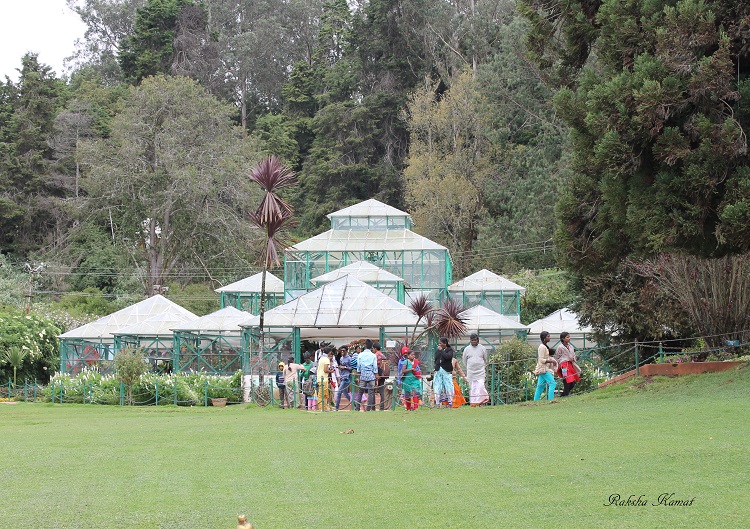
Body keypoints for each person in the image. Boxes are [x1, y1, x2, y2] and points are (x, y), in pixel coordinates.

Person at [462, 333, 490, 407]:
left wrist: (482, 366)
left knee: (481, 386)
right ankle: (474, 404)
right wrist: (469, 368)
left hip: (480, 372)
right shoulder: (467, 349)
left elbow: (485, 359)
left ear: (478, 340)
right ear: (470, 340)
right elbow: (464, 360)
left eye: (475, 340)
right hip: (471, 372)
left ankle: (482, 402)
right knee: (473, 388)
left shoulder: (482, 348)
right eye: (472, 340)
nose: (474, 342)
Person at [554, 331, 581, 397]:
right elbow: (557, 357)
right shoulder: (560, 347)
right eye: (567, 337)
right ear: (563, 338)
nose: (569, 338)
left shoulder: (571, 346)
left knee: (572, 382)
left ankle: (564, 394)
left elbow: (573, 355)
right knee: (566, 379)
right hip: (564, 366)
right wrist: (557, 365)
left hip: (570, 365)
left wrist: (575, 358)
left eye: (569, 337)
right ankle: (565, 395)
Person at [533, 331, 557, 401]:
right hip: (544, 369)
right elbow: (541, 360)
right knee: (552, 383)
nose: (549, 338)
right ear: (544, 338)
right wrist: (552, 361)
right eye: (548, 336)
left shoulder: (544, 346)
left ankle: (536, 401)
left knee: (540, 386)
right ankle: (550, 400)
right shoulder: (542, 347)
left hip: (544, 369)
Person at [355, 339, 378, 411]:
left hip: (363, 375)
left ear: (365, 346)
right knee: (371, 392)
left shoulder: (360, 355)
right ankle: (369, 408)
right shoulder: (373, 355)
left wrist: (359, 376)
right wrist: (376, 376)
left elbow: (358, 367)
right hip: (371, 375)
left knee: (360, 392)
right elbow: (375, 367)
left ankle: (357, 408)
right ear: (371, 347)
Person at [433, 337, 455, 407]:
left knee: (448, 386)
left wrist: (442, 351)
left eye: (440, 343)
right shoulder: (438, 350)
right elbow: (436, 359)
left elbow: (448, 357)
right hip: (438, 371)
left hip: (446, 371)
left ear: (445, 343)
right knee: (437, 386)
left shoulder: (449, 350)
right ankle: (437, 402)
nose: (439, 345)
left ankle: (450, 401)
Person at [335, 345, 353, 410]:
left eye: (344, 351)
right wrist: (340, 367)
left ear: (346, 351)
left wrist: (345, 367)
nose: (342, 352)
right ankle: (355, 405)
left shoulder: (349, 358)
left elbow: (352, 368)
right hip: (342, 376)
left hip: (347, 377)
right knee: (345, 394)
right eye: (341, 351)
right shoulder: (341, 358)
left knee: (339, 391)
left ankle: (336, 407)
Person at [374, 342, 389, 410]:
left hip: (377, 373)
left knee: (373, 390)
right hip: (383, 374)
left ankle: (373, 406)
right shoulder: (383, 355)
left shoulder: (375, 355)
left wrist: (376, 374)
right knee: (381, 390)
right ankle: (382, 406)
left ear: (375, 348)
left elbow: (375, 366)